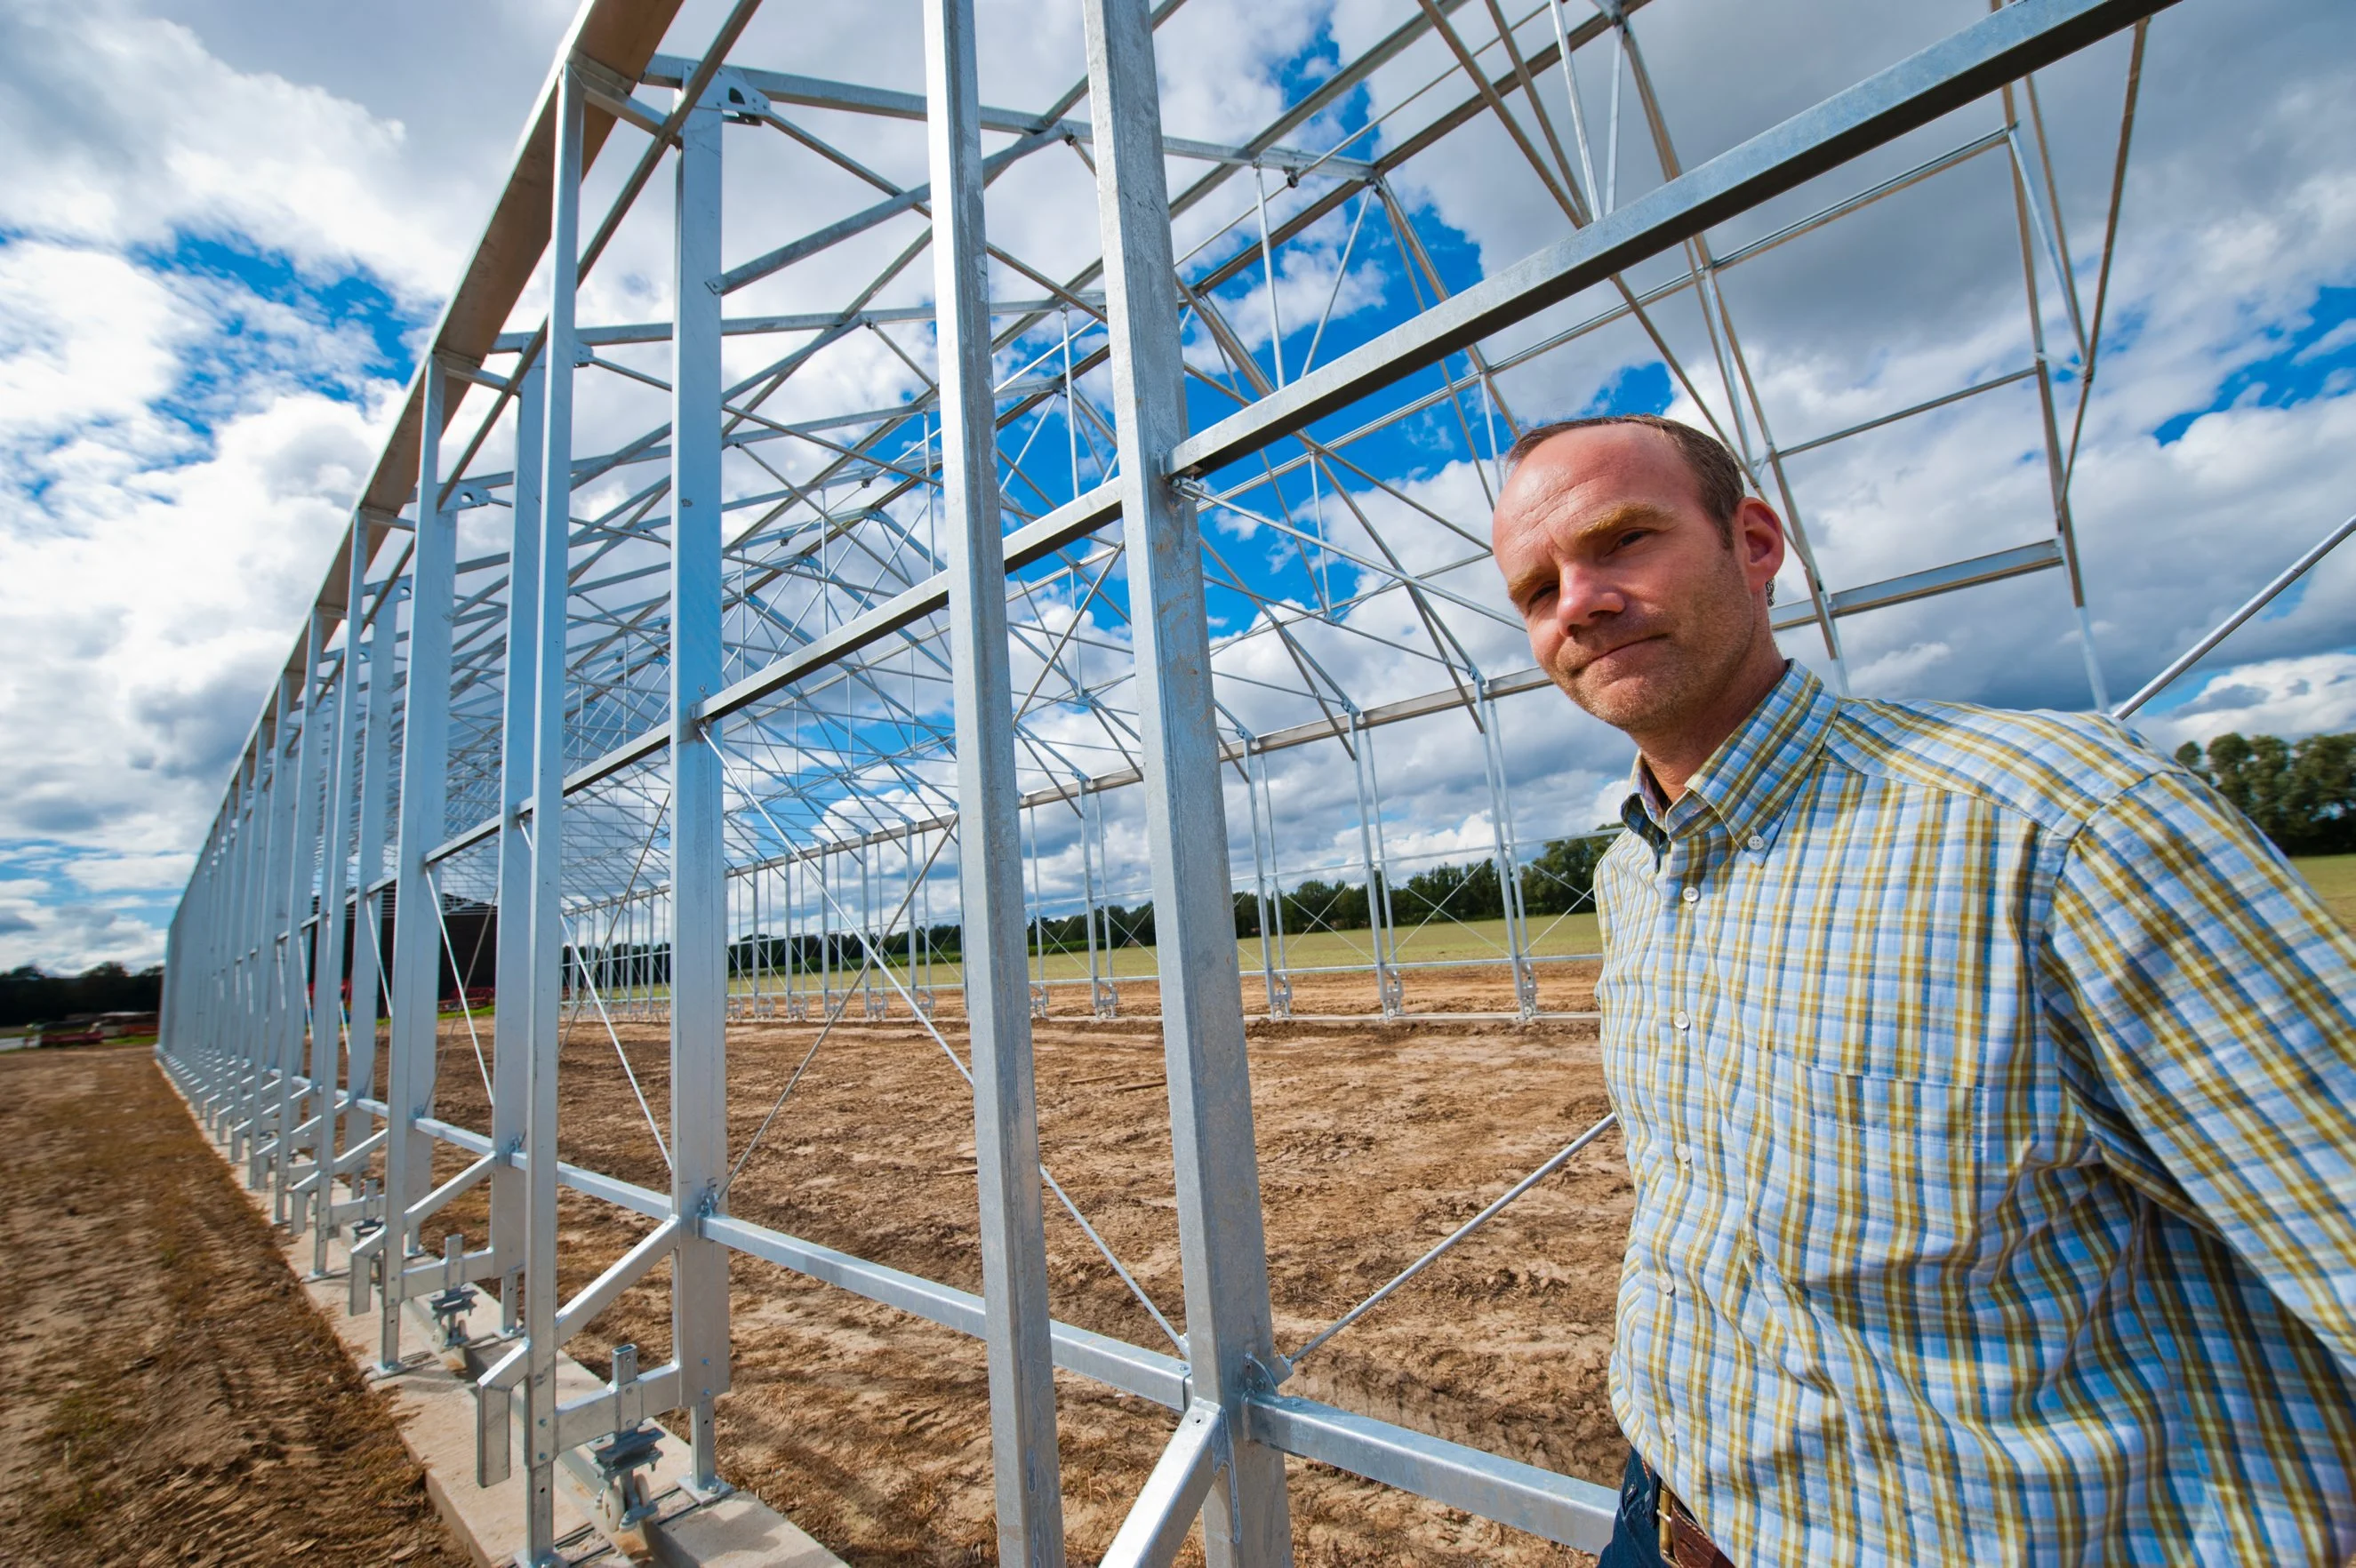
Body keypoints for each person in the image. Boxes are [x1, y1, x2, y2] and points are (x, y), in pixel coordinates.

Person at [1487, 412, 2356, 1566]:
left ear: (1752, 542)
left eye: (1623, 542)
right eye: (1537, 589)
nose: (1578, 604)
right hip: (1676, 1506)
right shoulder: (1630, 874)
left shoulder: (2058, 827)